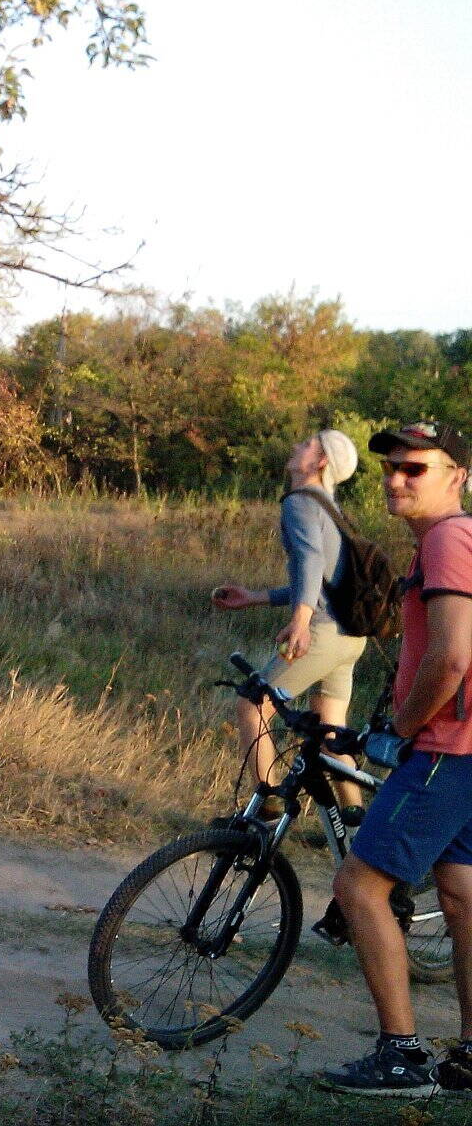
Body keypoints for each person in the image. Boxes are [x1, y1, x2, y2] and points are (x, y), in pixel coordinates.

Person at [321, 421, 472, 1097]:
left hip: (447, 748)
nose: (395, 478)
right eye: (390, 467)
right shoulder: (453, 540)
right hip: (467, 750)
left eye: (416, 468)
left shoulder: (447, 539)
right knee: (462, 896)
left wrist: (400, 729)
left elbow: (452, 656)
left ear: (456, 476)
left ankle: (401, 1057)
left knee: (359, 887)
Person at [211, 429, 367, 816]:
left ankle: (267, 807)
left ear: (320, 462)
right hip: (350, 637)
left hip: (321, 634)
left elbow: (310, 562)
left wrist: (300, 622)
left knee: (253, 704)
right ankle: (355, 825)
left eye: (308, 444)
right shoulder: (330, 508)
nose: (297, 446)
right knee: (331, 735)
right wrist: (256, 597)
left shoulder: (299, 502)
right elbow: (321, 582)